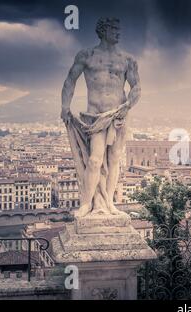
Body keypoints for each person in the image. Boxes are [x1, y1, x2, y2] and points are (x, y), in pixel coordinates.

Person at [61, 18, 141, 217]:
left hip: (118, 115)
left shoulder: (127, 59)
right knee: (95, 160)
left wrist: (127, 106)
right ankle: (87, 204)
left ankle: (109, 203)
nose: (118, 32)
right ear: (103, 31)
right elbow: (70, 80)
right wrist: (65, 107)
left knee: (114, 160)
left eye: (118, 29)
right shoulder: (87, 55)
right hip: (95, 115)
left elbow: (136, 87)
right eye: (114, 28)